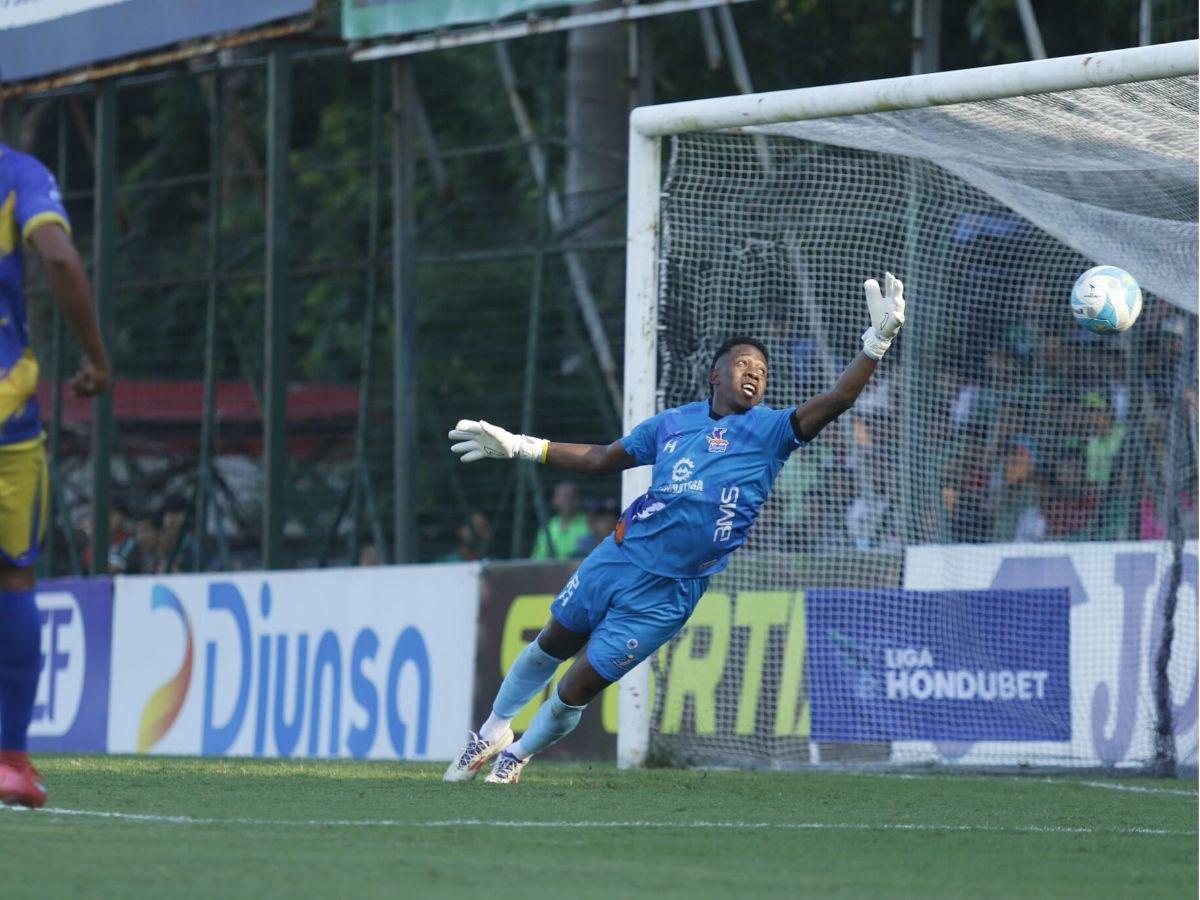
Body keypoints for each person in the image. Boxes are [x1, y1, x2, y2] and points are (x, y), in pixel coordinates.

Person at [443, 273, 906, 783]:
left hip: (669, 593)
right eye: (744, 364)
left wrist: (876, 343)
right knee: (553, 641)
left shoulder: (772, 431)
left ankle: (519, 755)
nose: (755, 374)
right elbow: (602, 458)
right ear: (715, 374)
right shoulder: (671, 424)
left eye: (763, 370)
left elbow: (840, 397)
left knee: (578, 686)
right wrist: (520, 446)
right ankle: (491, 732)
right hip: (618, 557)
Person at [0, 145, 110, 807]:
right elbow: (62, 259)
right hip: (8, 408)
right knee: (13, 577)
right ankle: (11, 762)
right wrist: (96, 356)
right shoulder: (17, 173)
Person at [530, 481, 590, 561]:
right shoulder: (548, 527)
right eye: (561, 496)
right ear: (554, 500)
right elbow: (538, 559)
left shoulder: (590, 523)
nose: (566, 501)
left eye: (569, 496)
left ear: (578, 499)